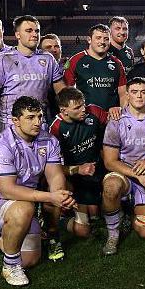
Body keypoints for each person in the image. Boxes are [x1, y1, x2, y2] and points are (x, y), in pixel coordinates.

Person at [0, 96, 74, 286]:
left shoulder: (48, 140)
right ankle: (10, 267)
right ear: (15, 120)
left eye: (40, 117)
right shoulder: (3, 145)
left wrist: (60, 196)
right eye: (30, 118)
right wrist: (50, 196)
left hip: (22, 203)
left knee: (31, 258)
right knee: (24, 209)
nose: (37, 122)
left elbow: (55, 176)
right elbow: (8, 190)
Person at [99, 77, 145, 254]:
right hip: (124, 173)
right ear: (127, 95)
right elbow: (110, 161)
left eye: (143, 92)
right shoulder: (117, 121)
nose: (139, 96)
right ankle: (113, 234)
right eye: (134, 92)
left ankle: (127, 211)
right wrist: (137, 175)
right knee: (110, 187)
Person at [0, 15, 65, 138]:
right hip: (11, 126)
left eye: (37, 31)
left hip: (39, 124)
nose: (34, 34)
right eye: (29, 31)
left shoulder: (48, 59)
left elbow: (61, 92)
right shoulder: (3, 59)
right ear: (17, 35)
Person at [48, 87, 109, 253]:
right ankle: (57, 221)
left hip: (99, 173)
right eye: (77, 108)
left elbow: (114, 123)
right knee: (84, 230)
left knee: (98, 214)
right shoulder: (55, 129)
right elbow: (51, 169)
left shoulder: (94, 111)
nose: (83, 109)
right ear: (64, 111)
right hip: (75, 180)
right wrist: (77, 169)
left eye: (83, 105)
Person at [63, 24, 127, 115]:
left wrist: (122, 112)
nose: (102, 42)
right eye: (98, 38)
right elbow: (67, 92)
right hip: (85, 117)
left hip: (111, 117)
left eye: (106, 39)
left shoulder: (117, 63)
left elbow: (123, 94)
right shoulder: (74, 60)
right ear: (89, 40)